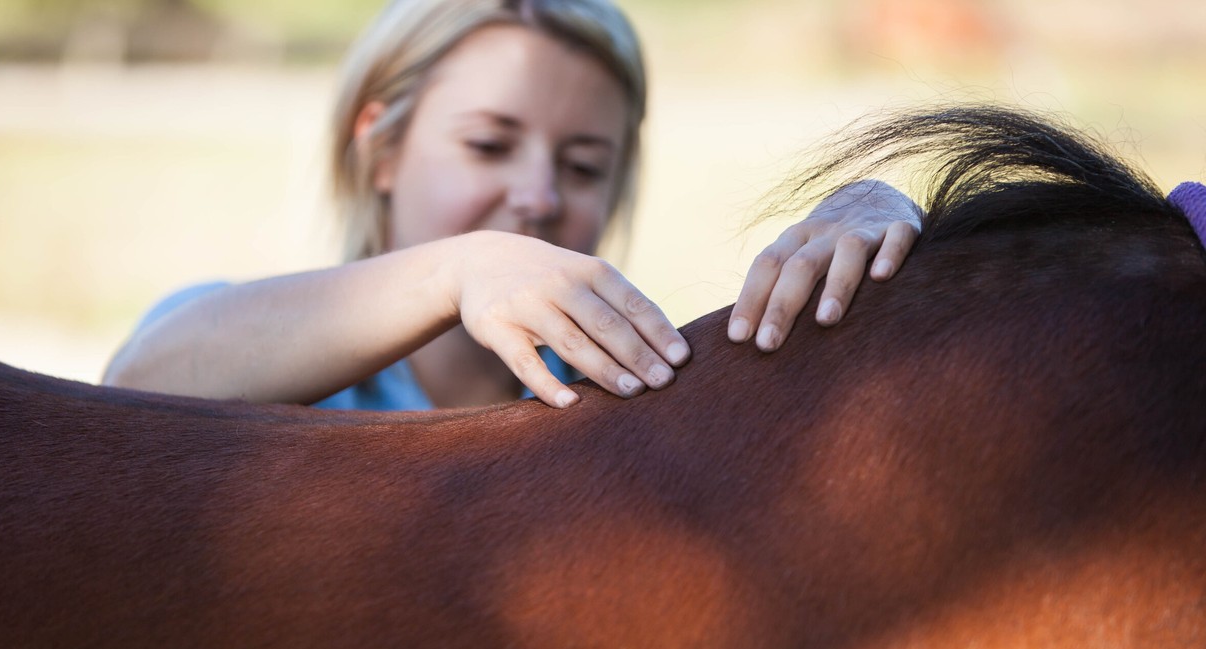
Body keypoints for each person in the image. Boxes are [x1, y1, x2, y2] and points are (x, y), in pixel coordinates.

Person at [103, 0, 920, 410]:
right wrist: (459, 268)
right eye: (488, 146)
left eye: (584, 163)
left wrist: (893, 235)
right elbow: (136, 383)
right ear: (379, 150)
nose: (537, 195)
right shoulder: (272, 355)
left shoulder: (627, 382)